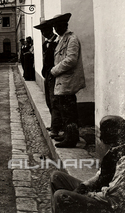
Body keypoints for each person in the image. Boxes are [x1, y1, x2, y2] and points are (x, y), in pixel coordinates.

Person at [50, 115, 125, 212]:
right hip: (100, 193)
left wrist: (88, 194)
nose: (100, 135)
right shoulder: (113, 151)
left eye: (103, 131)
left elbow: (115, 198)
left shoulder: (122, 159)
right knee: (57, 177)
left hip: (109, 205)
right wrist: (84, 186)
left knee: (61, 196)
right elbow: (100, 175)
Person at [49, 13, 86, 148]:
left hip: (68, 81)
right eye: (54, 27)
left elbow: (71, 60)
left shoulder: (72, 39)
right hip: (63, 81)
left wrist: (54, 70)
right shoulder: (62, 39)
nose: (55, 29)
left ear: (65, 25)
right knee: (64, 110)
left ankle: (71, 138)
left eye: (58, 26)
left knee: (69, 111)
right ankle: (68, 134)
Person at [34, 18, 61, 138]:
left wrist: (53, 71)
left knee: (55, 101)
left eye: (45, 30)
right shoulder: (46, 43)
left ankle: (56, 128)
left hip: (55, 75)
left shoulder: (58, 41)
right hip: (47, 75)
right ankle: (54, 123)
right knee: (49, 101)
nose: (43, 33)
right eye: (42, 31)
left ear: (51, 29)